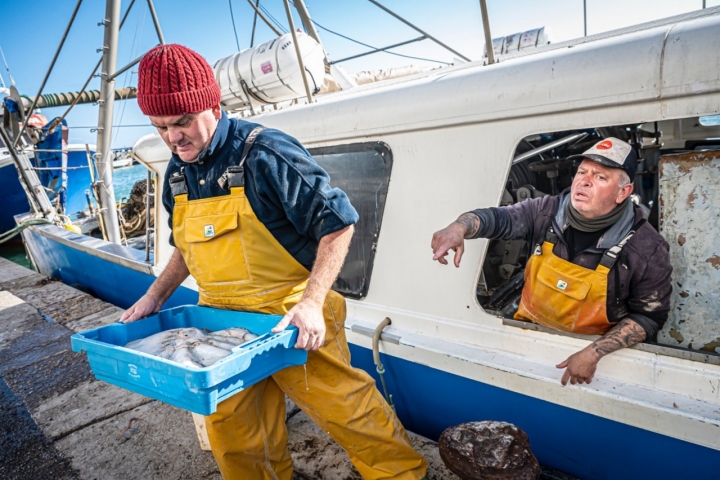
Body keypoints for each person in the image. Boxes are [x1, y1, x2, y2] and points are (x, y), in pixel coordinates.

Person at [120, 44, 427, 480]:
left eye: (183, 122)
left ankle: (404, 475)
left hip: (291, 317)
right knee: (234, 432)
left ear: (212, 103)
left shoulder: (266, 153)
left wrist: (313, 302)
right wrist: (154, 296)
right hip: (221, 328)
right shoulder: (175, 173)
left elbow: (339, 225)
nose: (173, 137)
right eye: (161, 126)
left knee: (348, 412)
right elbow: (188, 248)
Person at [431, 137, 672, 387]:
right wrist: (459, 227)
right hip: (526, 337)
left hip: (587, 358)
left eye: (600, 177)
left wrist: (593, 353)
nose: (584, 181)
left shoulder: (646, 248)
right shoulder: (546, 211)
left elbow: (650, 317)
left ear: (623, 192)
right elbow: (498, 218)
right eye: (582, 172)